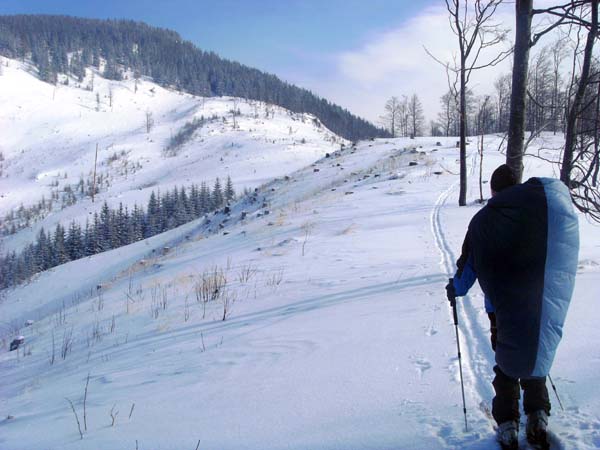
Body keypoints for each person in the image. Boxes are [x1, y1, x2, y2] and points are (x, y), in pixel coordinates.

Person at [445, 164, 579, 449]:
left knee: (506, 363)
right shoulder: (535, 213)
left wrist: (453, 290)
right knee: (534, 358)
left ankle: (507, 422)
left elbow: (467, 271)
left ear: (494, 192)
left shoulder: (483, 222)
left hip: (501, 311)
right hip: (536, 301)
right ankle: (538, 414)